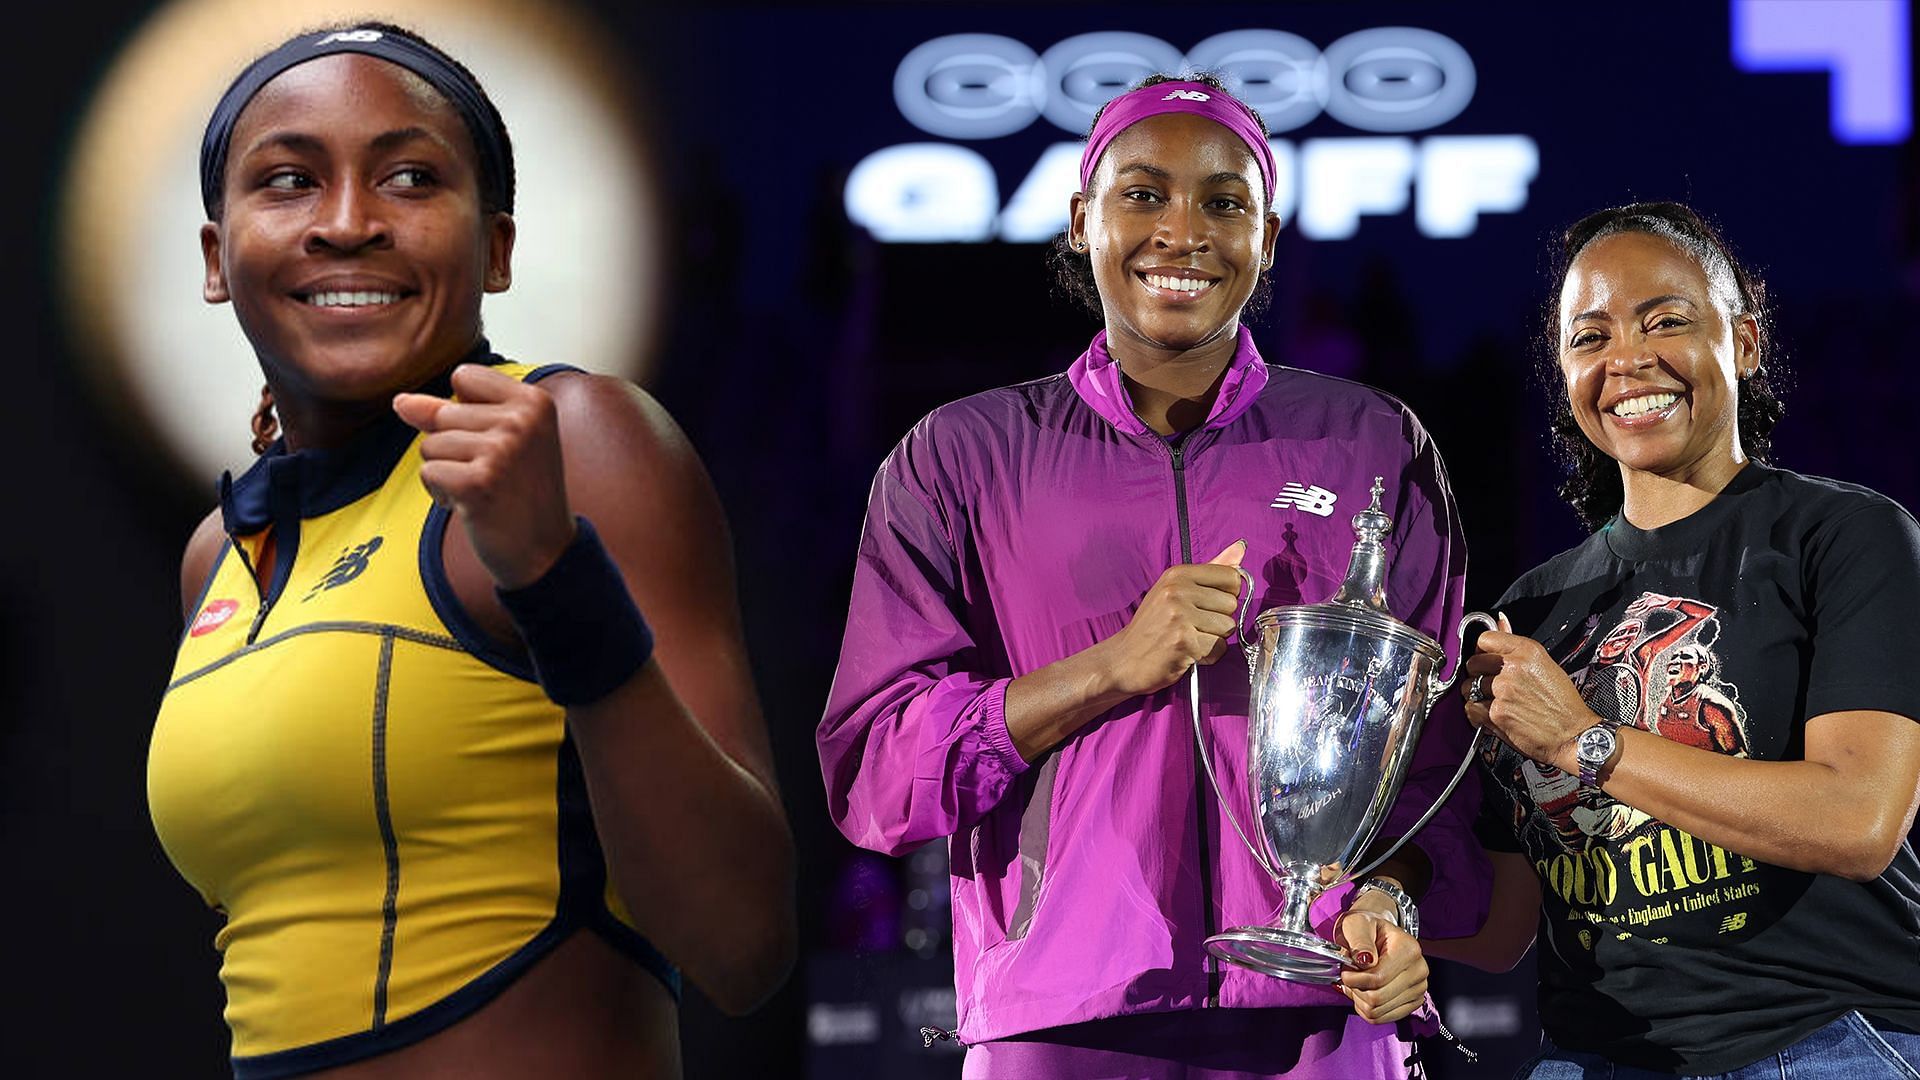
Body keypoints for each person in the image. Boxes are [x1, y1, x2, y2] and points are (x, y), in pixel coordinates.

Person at [146, 24, 794, 1078]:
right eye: (289, 181)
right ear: (219, 258)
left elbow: (743, 943)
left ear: (494, 247)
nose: (349, 223)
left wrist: (554, 573)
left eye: (409, 177)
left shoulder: (578, 438)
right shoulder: (221, 551)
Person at [817, 73, 1489, 1078]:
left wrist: (1392, 900)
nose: (1183, 231)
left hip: (1321, 1012)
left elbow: (1434, 769)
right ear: (1083, 218)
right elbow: (875, 773)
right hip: (1060, 1020)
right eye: (1142, 194)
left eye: (1225, 202)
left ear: (1268, 235)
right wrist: (1111, 667)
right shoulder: (963, 455)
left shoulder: (1371, 445)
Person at [1441, 201, 1920, 1075]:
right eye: (1591, 337)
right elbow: (1504, 924)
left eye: (1666, 320)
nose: (1627, 358)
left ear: (1744, 342)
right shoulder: (1533, 610)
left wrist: (1584, 741)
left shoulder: (1845, 536)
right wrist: (1373, 909)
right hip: (1593, 1055)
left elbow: (1861, 820)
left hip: (1817, 1041)